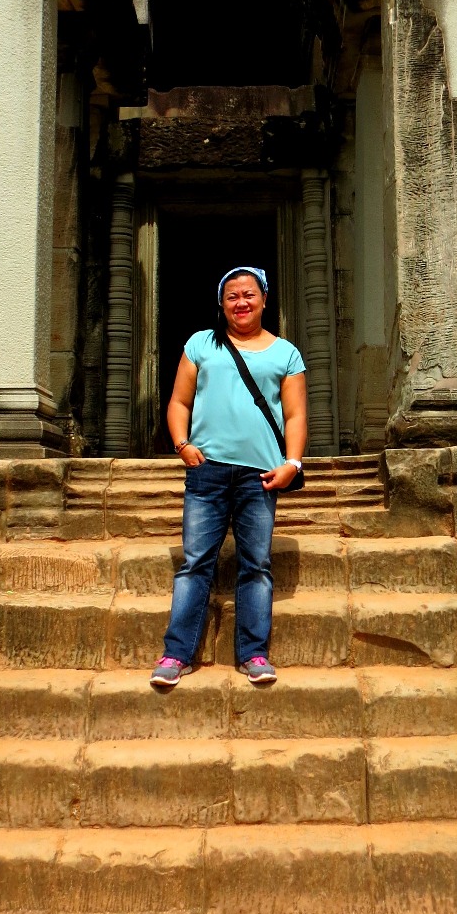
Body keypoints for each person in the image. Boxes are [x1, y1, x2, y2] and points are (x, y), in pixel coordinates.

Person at [151, 265, 307, 688]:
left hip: (261, 475)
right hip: (208, 472)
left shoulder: (286, 353)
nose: (241, 302)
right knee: (195, 564)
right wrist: (182, 445)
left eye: (249, 294)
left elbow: (295, 414)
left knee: (256, 565)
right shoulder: (201, 344)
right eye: (232, 296)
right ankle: (176, 654)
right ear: (221, 304)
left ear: (264, 299)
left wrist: (292, 464)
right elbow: (179, 402)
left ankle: (253, 654)